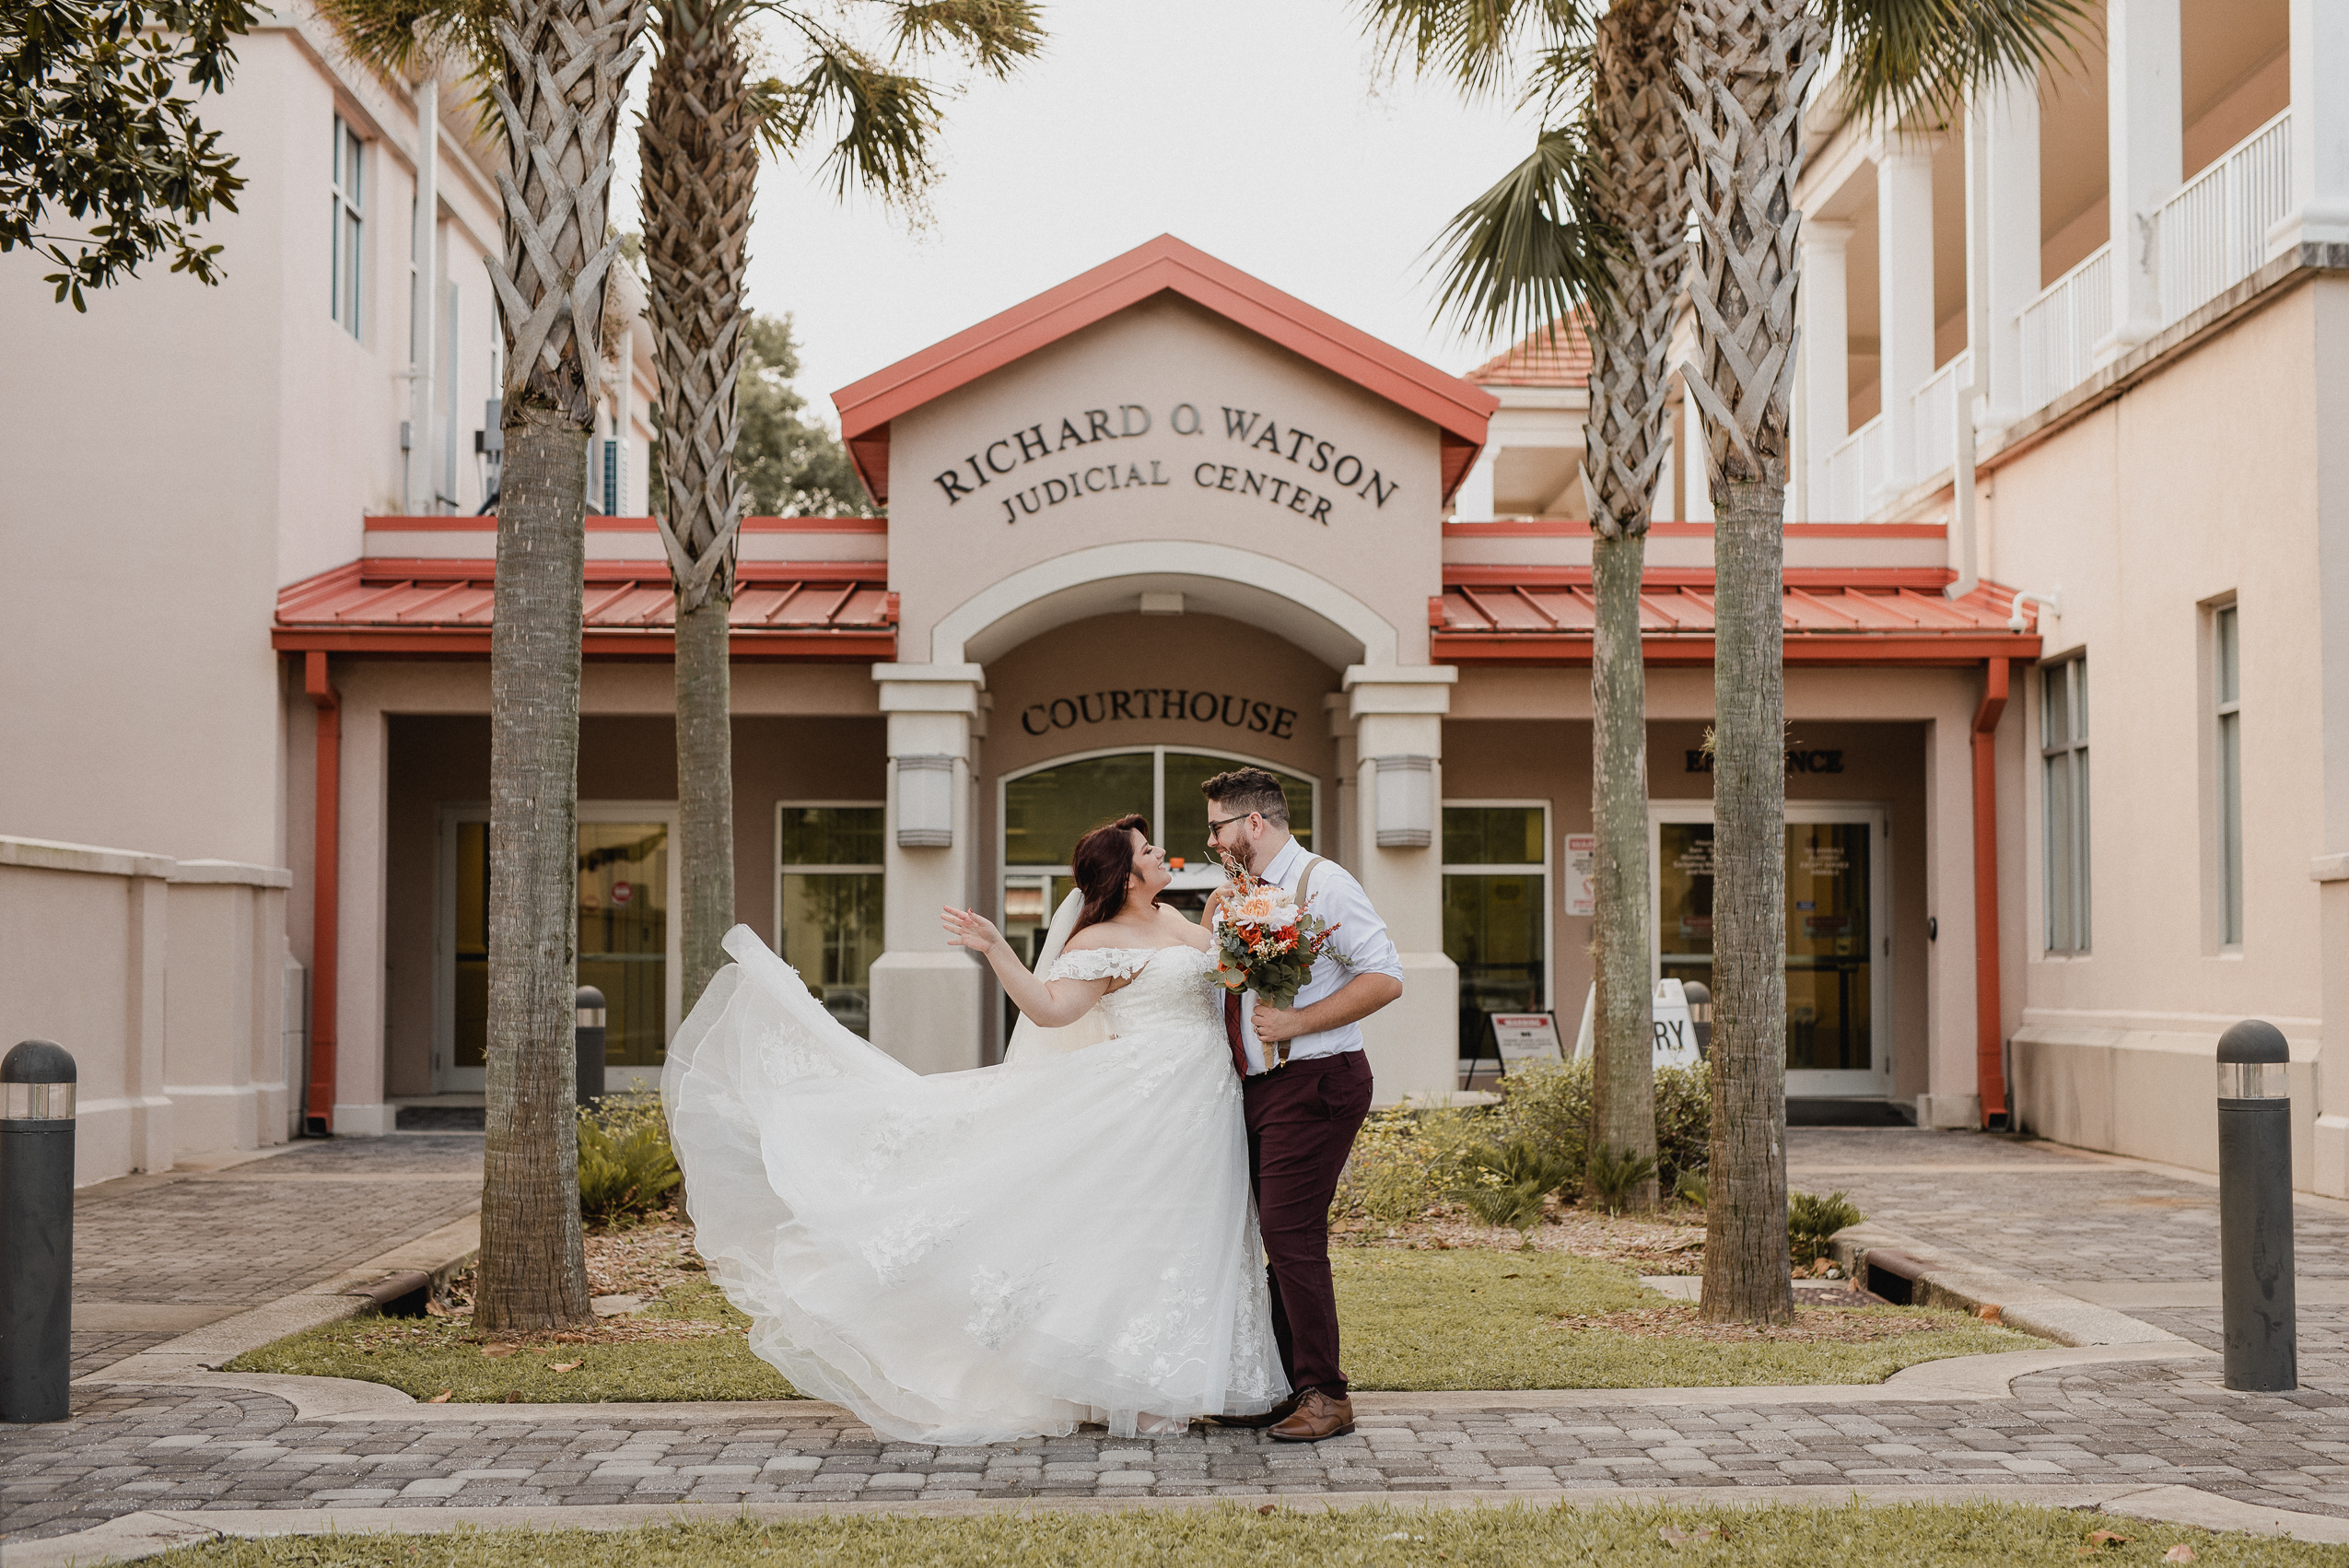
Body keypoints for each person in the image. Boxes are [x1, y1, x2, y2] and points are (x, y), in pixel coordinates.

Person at [660, 814, 1286, 1445]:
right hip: (1147, 1098)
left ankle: (1178, 1374)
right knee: (1145, 1231)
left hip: (1205, 1097)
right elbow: (1049, 1010)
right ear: (1125, 877)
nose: (1162, 852)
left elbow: (1218, 971)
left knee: (1193, 1228)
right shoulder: (1095, 943)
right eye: (1148, 849)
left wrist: (1230, 922)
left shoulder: (1176, 918)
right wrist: (998, 950)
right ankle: (1138, 1387)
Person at [1197, 766, 1404, 1443]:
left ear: (1254, 824)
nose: (1213, 843)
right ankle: (1284, 1386)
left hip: (1316, 1079)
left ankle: (1326, 1394)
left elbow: (1385, 977)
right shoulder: (1242, 893)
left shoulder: (1324, 883)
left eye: (1218, 829)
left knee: (1291, 1236)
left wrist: (1296, 1023)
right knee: (1274, 1240)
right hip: (1258, 1089)